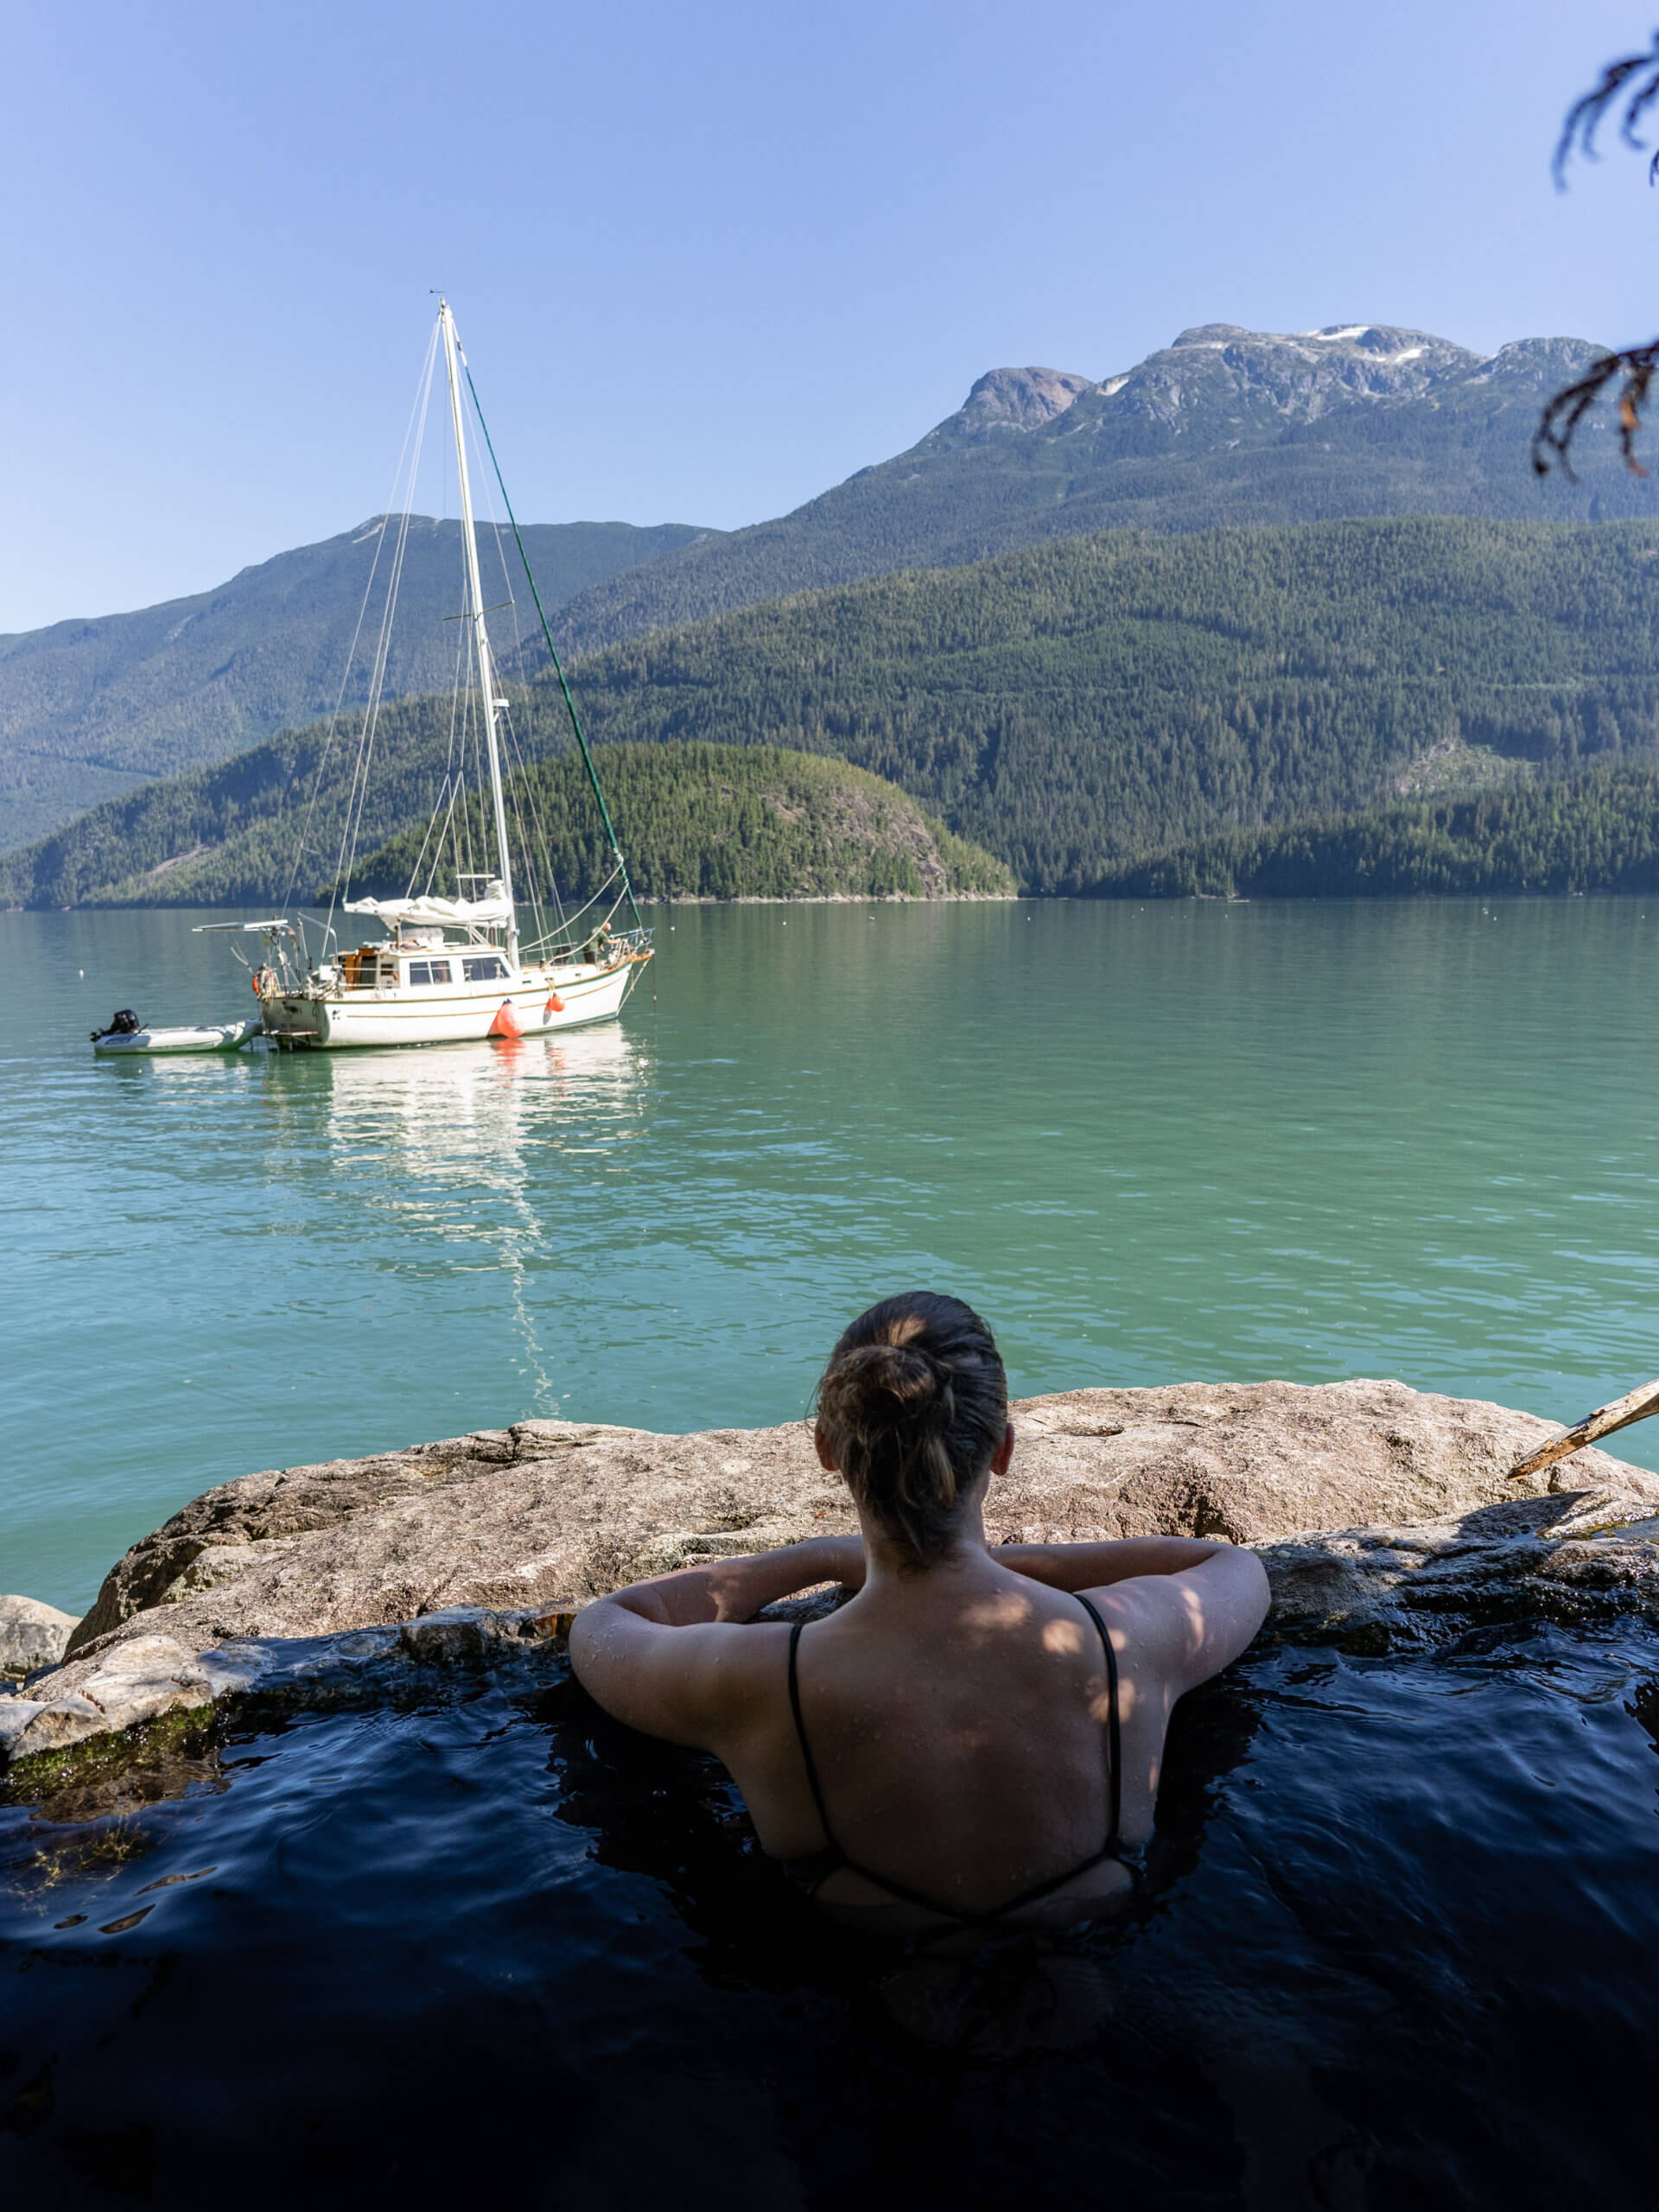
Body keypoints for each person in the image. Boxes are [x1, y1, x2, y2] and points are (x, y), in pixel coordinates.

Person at [570, 1292, 1271, 1942]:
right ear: (1002, 1449)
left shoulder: (759, 1680)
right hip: (1096, 1967)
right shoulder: (1128, 1639)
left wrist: (817, 1557)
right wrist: (996, 1565)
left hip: (863, 1991)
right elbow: (1232, 1566)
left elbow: (604, 1626)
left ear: (827, 1451)